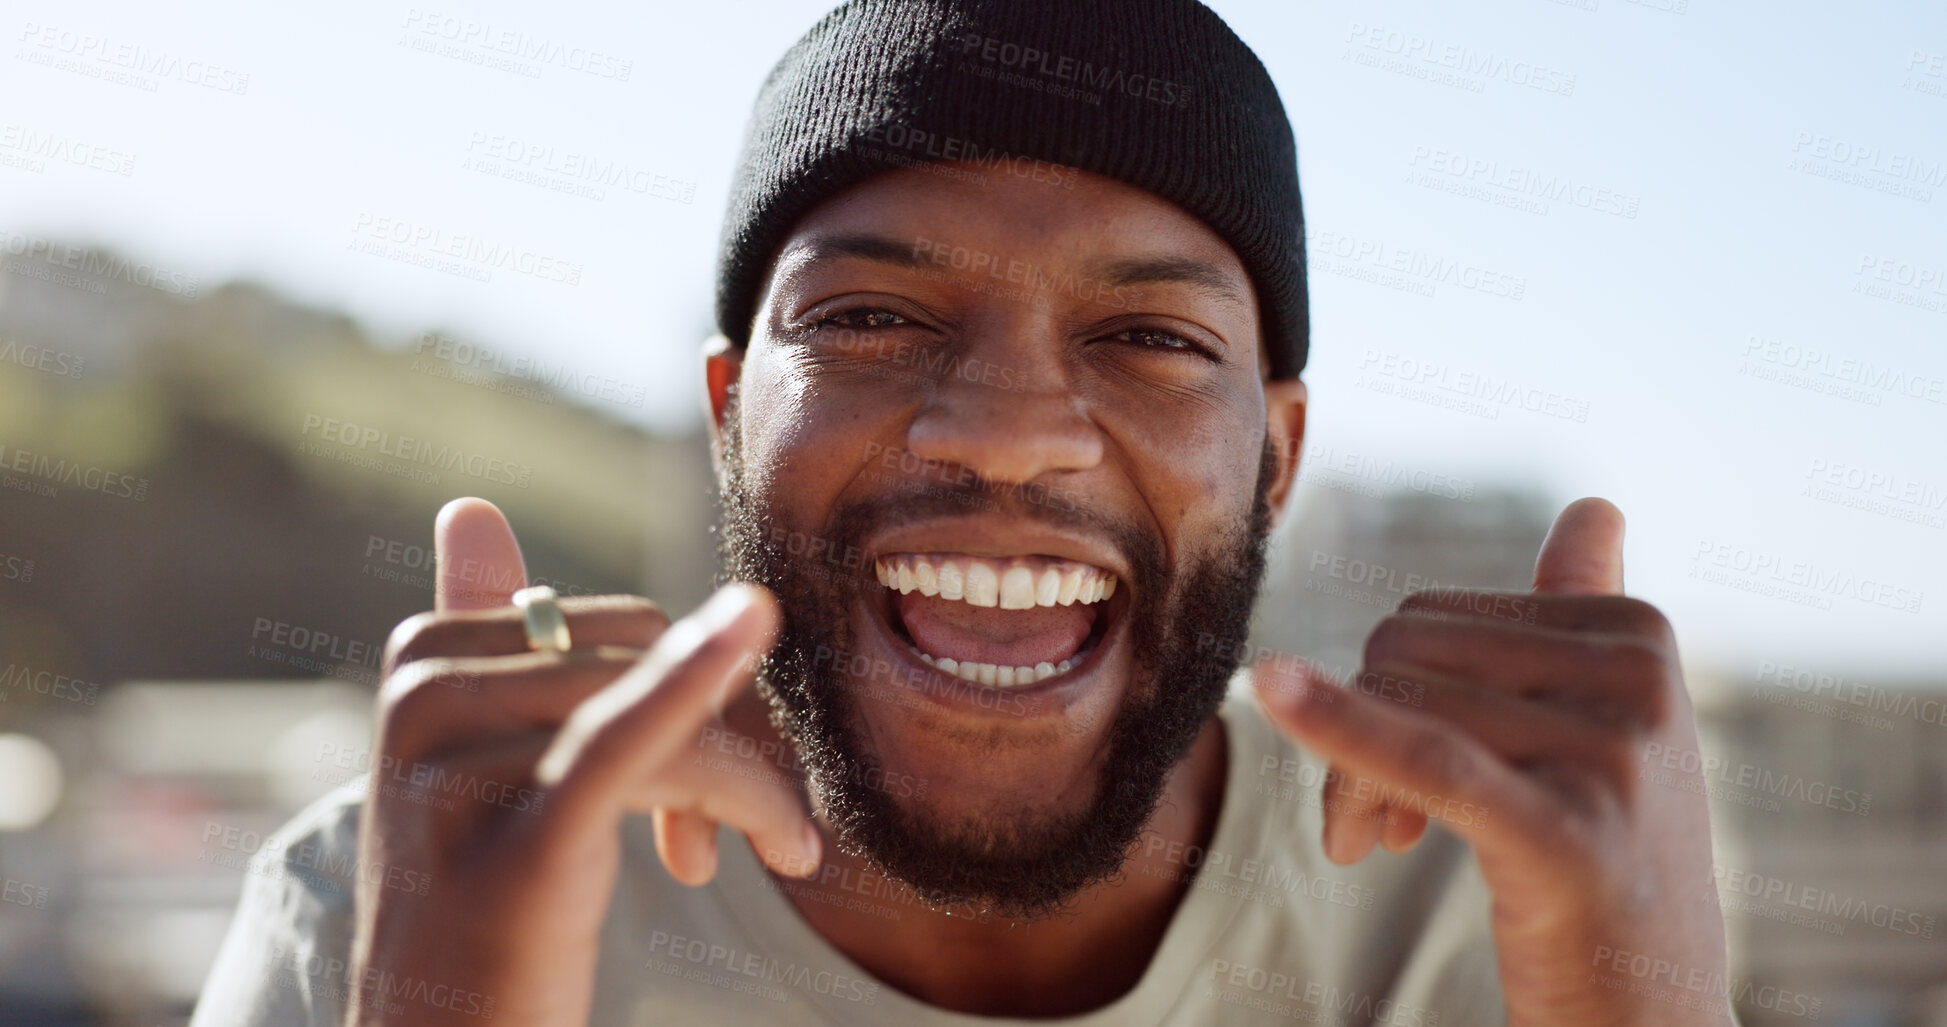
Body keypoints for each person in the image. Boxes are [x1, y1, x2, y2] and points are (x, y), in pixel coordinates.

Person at [192, 1, 1734, 1023]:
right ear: (730, 416)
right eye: (869, 318)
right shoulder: (398, 900)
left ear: (1276, 455)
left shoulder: (1505, 919)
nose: (1006, 438)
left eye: (1150, 339)